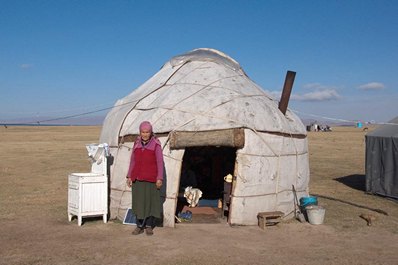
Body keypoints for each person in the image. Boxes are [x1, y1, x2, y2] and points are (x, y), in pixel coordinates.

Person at [126, 121, 164, 236]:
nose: (145, 134)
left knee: (150, 203)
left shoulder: (156, 144)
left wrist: (159, 178)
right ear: (140, 132)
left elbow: (159, 162)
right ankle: (139, 226)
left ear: (151, 132)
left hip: (151, 179)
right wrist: (129, 176)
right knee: (138, 203)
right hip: (137, 178)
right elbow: (133, 160)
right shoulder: (136, 143)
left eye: (147, 132)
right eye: (143, 132)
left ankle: (148, 226)